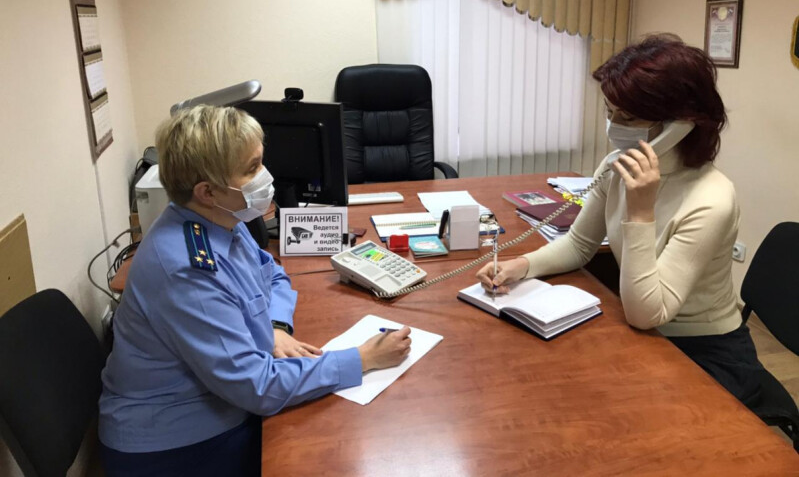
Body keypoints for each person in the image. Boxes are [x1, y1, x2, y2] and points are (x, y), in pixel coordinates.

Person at [99, 105, 412, 476]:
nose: (266, 176)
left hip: (221, 401)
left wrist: (275, 328)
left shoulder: (221, 220)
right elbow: (258, 387)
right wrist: (362, 359)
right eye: (252, 168)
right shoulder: (188, 270)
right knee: (336, 450)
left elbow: (273, 276)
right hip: (176, 443)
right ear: (207, 191)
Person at [477, 34, 763, 407]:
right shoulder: (616, 167)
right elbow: (579, 245)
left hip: (704, 350)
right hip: (644, 334)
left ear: (681, 124)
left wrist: (640, 211)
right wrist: (520, 266)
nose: (613, 125)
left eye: (628, 117)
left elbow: (647, 313)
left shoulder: (712, 198)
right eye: (609, 111)